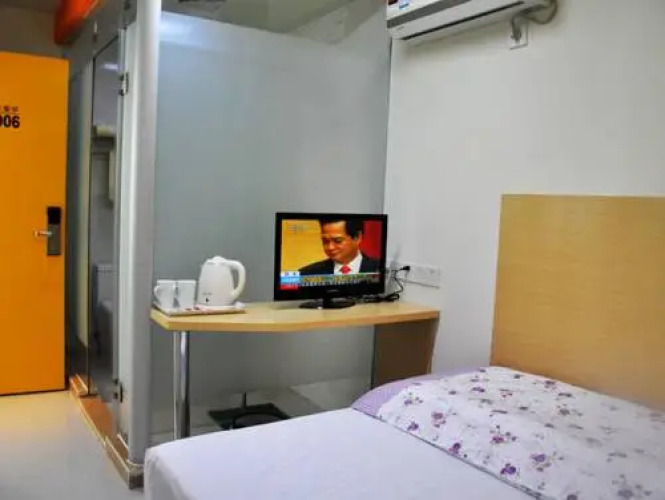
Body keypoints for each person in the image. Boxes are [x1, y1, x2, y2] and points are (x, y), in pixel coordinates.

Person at [299, 218, 380, 276]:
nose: (330, 247)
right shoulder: (306, 273)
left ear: (357, 237)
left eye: (338, 241)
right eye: (325, 241)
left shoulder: (379, 268)